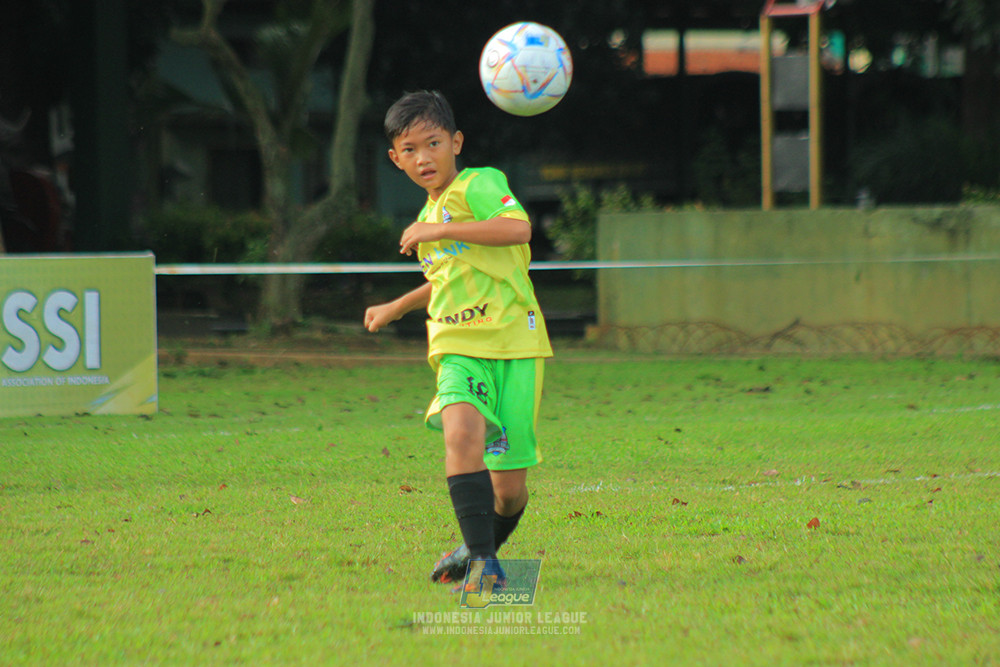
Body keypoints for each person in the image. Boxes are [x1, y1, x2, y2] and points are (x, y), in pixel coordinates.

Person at [364, 91, 552, 591]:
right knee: (461, 434)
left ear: (456, 142)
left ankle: (477, 543)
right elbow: (448, 276)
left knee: (509, 492)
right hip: (458, 343)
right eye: (410, 149)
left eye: (434, 143)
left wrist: (438, 231)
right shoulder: (431, 215)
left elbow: (518, 229)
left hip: (515, 342)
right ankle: (485, 566)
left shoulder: (478, 183)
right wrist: (398, 306)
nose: (423, 158)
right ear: (395, 158)